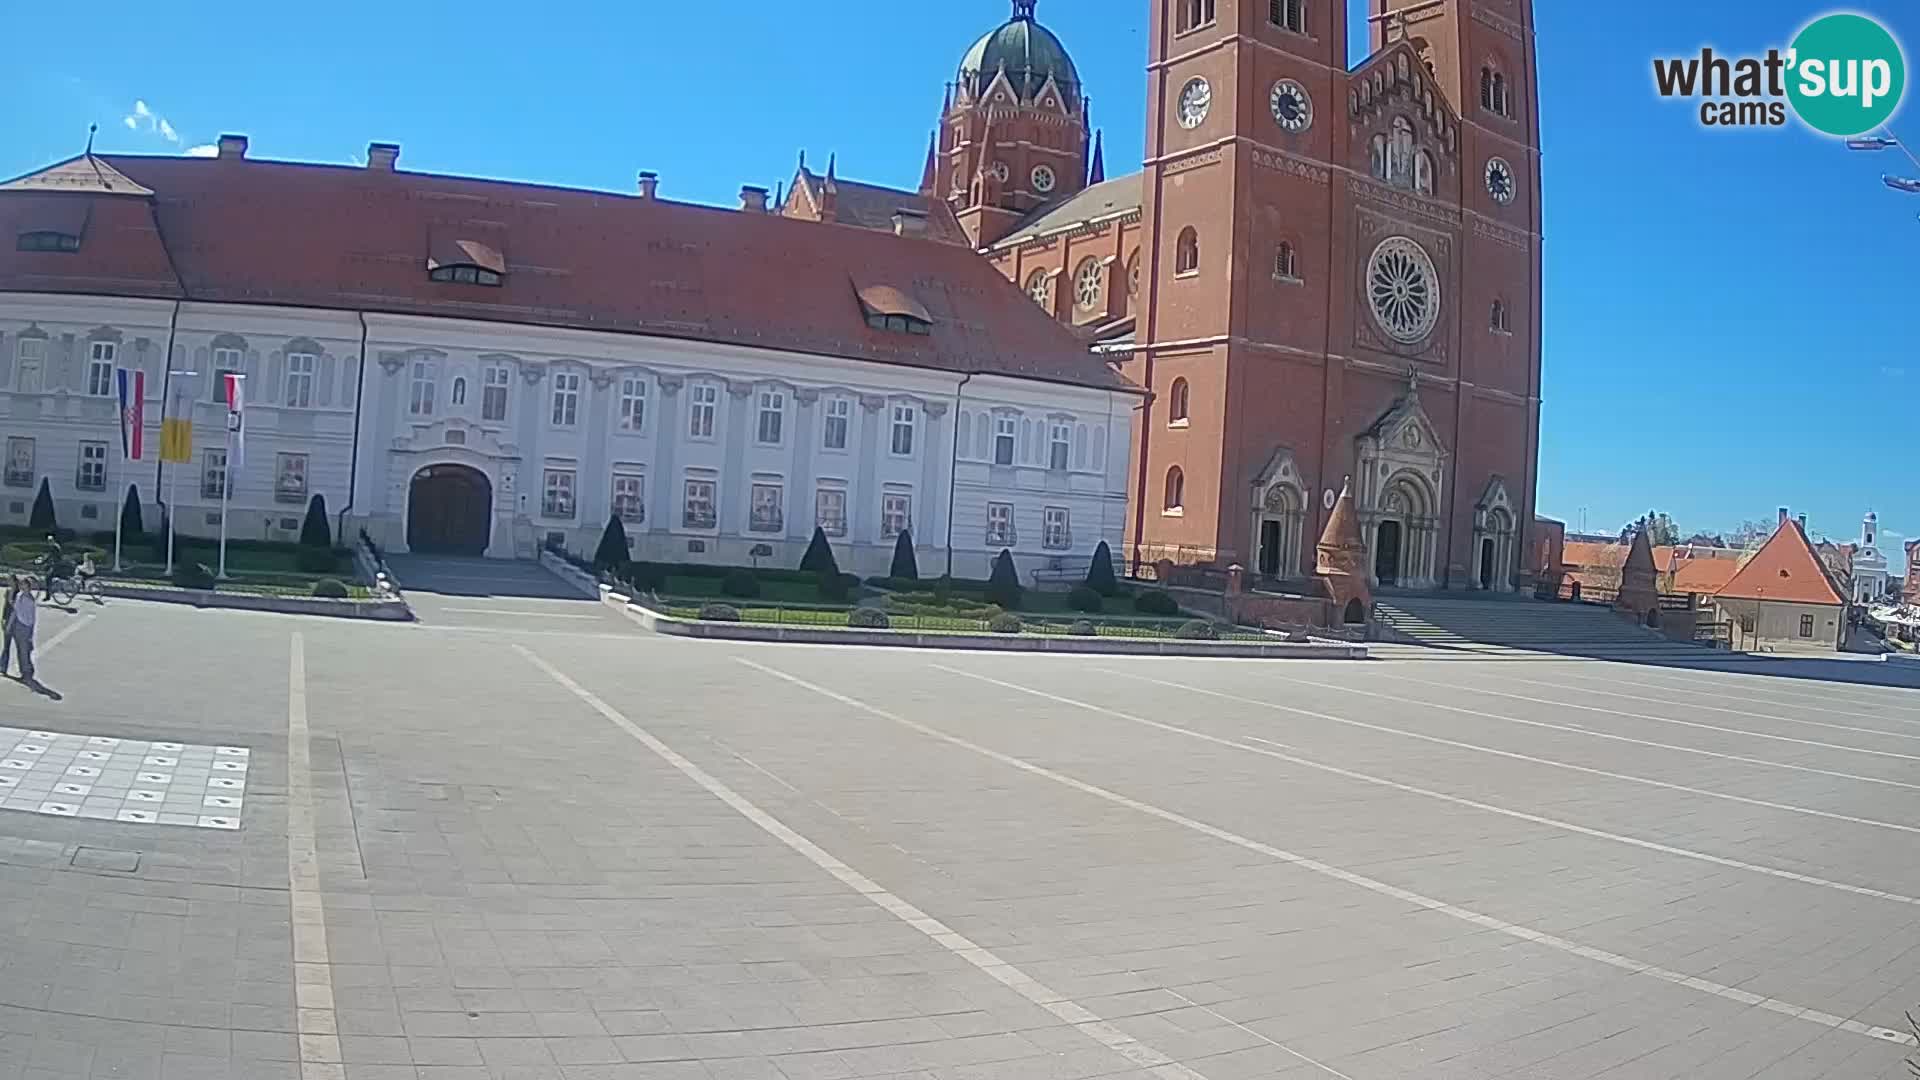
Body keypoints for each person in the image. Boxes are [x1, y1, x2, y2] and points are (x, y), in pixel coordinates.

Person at [2, 575, 32, 682]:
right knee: (12, 647)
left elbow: (28, 614)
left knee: (23, 650)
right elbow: (10, 609)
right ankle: (4, 667)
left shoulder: (24, 597)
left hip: (21, 625)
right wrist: (5, 621)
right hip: (13, 623)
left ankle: (27, 671)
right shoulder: (14, 594)